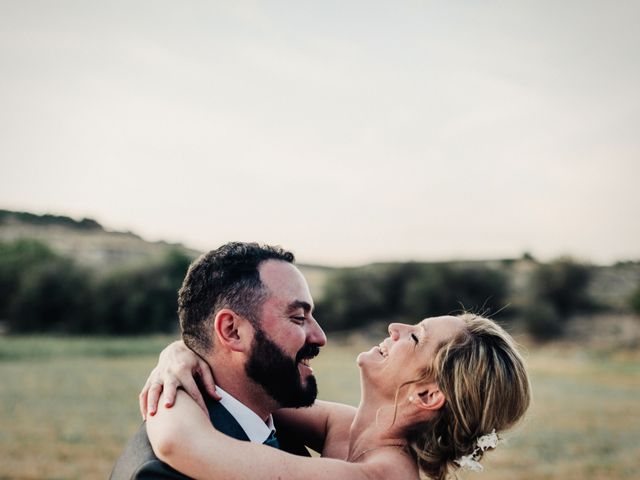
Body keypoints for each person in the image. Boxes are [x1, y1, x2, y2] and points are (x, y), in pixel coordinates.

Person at [144, 313, 531, 480]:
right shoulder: (346, 425)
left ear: (427, 393)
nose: (395, 327)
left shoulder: (380, 475)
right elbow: (241, 390)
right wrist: (178, 352)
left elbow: (180, 444)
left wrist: (165, 378)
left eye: (415, 337)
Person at [110, 242, 327, 479]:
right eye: (298, 318)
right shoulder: (161, 474)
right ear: (232, 331)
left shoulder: (276, 426)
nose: (320, 337)